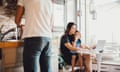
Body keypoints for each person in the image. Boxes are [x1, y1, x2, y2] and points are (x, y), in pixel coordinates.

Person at [15, 0, 54, 72]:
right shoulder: (49, 1)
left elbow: (17, 20)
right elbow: (52, 26)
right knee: (47, 69)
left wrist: (22, 25)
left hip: (33, 36)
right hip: (47, 38)